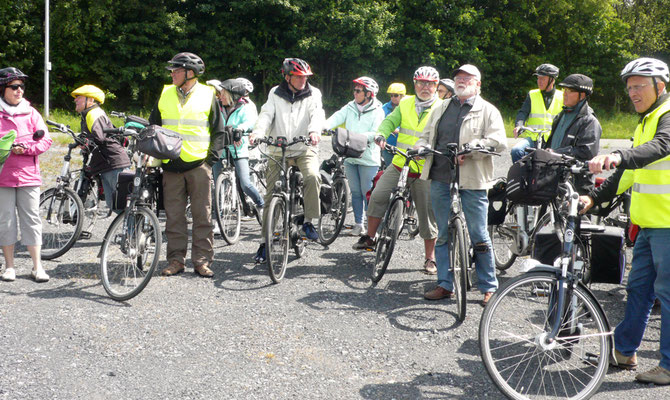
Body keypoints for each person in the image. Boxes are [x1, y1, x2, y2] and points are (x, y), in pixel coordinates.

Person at [581, 57, 670, 385]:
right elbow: (629, 173)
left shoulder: (667, 116)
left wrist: (617, 154)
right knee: (638, 290)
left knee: (667, 294)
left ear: (660, 86)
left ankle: (668, 366)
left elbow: (661, 147)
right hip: (648, 226)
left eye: (639, 86)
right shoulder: (644, 120)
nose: (632, 92)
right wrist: (593, 197)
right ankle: (624, 350)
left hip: (668, 226)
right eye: (629, 87)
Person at [416, 64, 507, 305]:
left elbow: (499, 141)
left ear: (478, 83)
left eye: (467, 78)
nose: (461, 80)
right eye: (458, 77)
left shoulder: (488, 110)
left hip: (473, 179)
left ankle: (489, 286)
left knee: (478, 233)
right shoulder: (441, 107)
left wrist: (475, 146)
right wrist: (420, 147)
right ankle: (445, 284)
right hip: (440, 175)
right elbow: (425, 136)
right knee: (444, 233)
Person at [353, 66, 442, 275]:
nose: (425, 87)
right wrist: (381, 134)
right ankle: (370, 237)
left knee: (427, 214)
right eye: (421, 83)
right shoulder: (406, 102)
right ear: (414, 83)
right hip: (400, 162)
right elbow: (390, 121)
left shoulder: (442, 107)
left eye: (429, 84)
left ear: (436, 86)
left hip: (425, 168)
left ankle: (430, 258)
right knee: (378, 195)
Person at [149, 52, 226, 278]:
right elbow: (154, 126)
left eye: (176, 70)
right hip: (171, 166)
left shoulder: (207, 94)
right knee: (174, 217)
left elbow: (218, 130)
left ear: (190, 73)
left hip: (198, 165)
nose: (172, 74)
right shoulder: (165, 94)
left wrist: (210, 161)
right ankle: (175, 260)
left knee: (203, 215)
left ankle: (201, 261)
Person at [250, 58, 325, 262]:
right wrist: (258, 133)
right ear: (287, 76)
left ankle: (308, 222)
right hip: (278, 149)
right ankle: (265, 243)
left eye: (305, 77)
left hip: (303, 147)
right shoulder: (275, 93)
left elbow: (317, 114)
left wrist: (315, 131)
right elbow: (266, 115)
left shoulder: (313, 93)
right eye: (299, 77)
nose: (303, 81)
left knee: (312, 176)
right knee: (270, 196)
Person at [0, 67, 52, 283]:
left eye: (21, 86)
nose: (19, 90)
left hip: (29, 175)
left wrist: (27, 148)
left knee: (32, 220)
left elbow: (46, 140)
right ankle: (9, 266)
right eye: (14, 86)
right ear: (3, 89)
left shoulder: (32, 113)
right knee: (6, 221)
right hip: (3, 177)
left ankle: (37, 267)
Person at [325, 76, 385, 236]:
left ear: (369, 94)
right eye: (355, 90)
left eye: (358, 91)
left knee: (368, 193)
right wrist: (322, 127)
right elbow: (336, 117)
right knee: (356, 192)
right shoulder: (350, 107)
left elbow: (376, 132)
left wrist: (355, 136)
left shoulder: (378, 111)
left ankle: (371, 226)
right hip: (350, 156)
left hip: (369, 158)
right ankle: (359, 224)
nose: (355, 93)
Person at [207, 78, 263, 229]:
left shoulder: (245, 107)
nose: (220, 96)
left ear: (232, 95)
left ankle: (260, 204)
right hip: (220, 149)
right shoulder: (217, 106)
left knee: (245, 183)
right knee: (219, 185)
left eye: (223, 94)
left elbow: (251, 121)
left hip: (238, 149)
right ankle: (219, 221)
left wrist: (241, 129)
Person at [71, 85, 131, 213]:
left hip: (113, 163)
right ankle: (133, 231)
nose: (75, 100)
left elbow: (99, 137)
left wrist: (85, 142)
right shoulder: (88, 114)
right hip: (106, 165)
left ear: (91, 100)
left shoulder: (94, 113)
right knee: (114, 205)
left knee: (122, 205)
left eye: (79, 97)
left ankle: (139, 231)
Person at [544, 73, 601, 194]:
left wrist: (556, 153)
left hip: (577, 186)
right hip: (555, 178)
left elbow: (587, 152)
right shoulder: (561, 116)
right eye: (564, 89)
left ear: (582, 95)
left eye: (570, 90)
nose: (564, 93)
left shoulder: (589, 121)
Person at [511, 63, 563, 162]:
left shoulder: (563, 96)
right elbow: (523, 112)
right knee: (516, 150)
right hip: (533, 137)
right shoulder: (532, 94)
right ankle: (521, 176)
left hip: (553, 139)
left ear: (552, 79)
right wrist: (519, 125)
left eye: (542, 79)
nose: (539, 82)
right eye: (538, 78)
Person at [381, 82, 406, 167]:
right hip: (388, 147)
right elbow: (381, 122)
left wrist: (399, 130)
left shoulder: (408, 108)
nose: (393, 98)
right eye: (391, 95)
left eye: (395, 95)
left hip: (404, 147)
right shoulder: (384, 108)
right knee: (390, 170)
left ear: (402, 96)